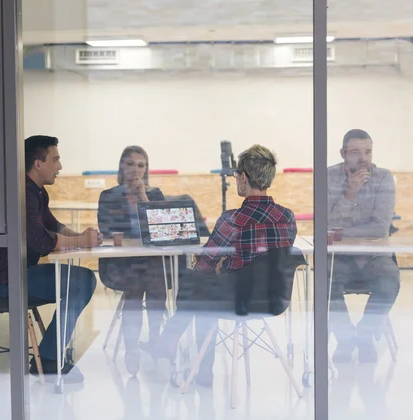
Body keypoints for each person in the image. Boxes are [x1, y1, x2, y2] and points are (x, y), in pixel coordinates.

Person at [154, 144, 297, 386]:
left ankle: (196, 365)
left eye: (236, 175)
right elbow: (269, 260)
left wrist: (222, 267)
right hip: (274, 299)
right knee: (206, 288)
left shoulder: (233, 219)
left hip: (237, 300)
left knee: (197, 284)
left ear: (243, 178)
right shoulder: (288, 217)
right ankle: (174, 341)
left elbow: (204, 263)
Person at [0, 135, 103, 383]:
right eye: (55, 159)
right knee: (83, 281)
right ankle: (49, 359)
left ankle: (49, 355)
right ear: (38, 163)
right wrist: (80, 242)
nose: (60, 166)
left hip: (15, 273)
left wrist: (82, 237)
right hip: (4, 282)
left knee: (81, 279)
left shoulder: (35, 191)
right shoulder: (22, 193)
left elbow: (52, 225)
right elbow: (40, 242)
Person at [328, 129, 400, 363]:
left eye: (367, 152)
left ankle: (365, 336)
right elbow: (325, 224)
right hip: (339, 256)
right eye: (356, 152)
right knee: (326, 281)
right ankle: (346, 339)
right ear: (343, 153)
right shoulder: (329, 177)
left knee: (390, 279)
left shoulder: (383, 177)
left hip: (373, 255)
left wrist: (338, 233)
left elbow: (379, 228)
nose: (363, 158)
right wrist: (350, 193)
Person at [97, 146, 167, 375]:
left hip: (151, 261)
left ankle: (156, 342)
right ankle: (132, 349)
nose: (135, 170)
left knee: (156, 282)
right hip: (121, 262)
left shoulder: (155, 195)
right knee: (135, 285)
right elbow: (107, 231)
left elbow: (160, 231)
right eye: (129, 164)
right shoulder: (108, 196)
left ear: (146, 169)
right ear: (121, 167)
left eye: (140, 165)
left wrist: (143, 198)